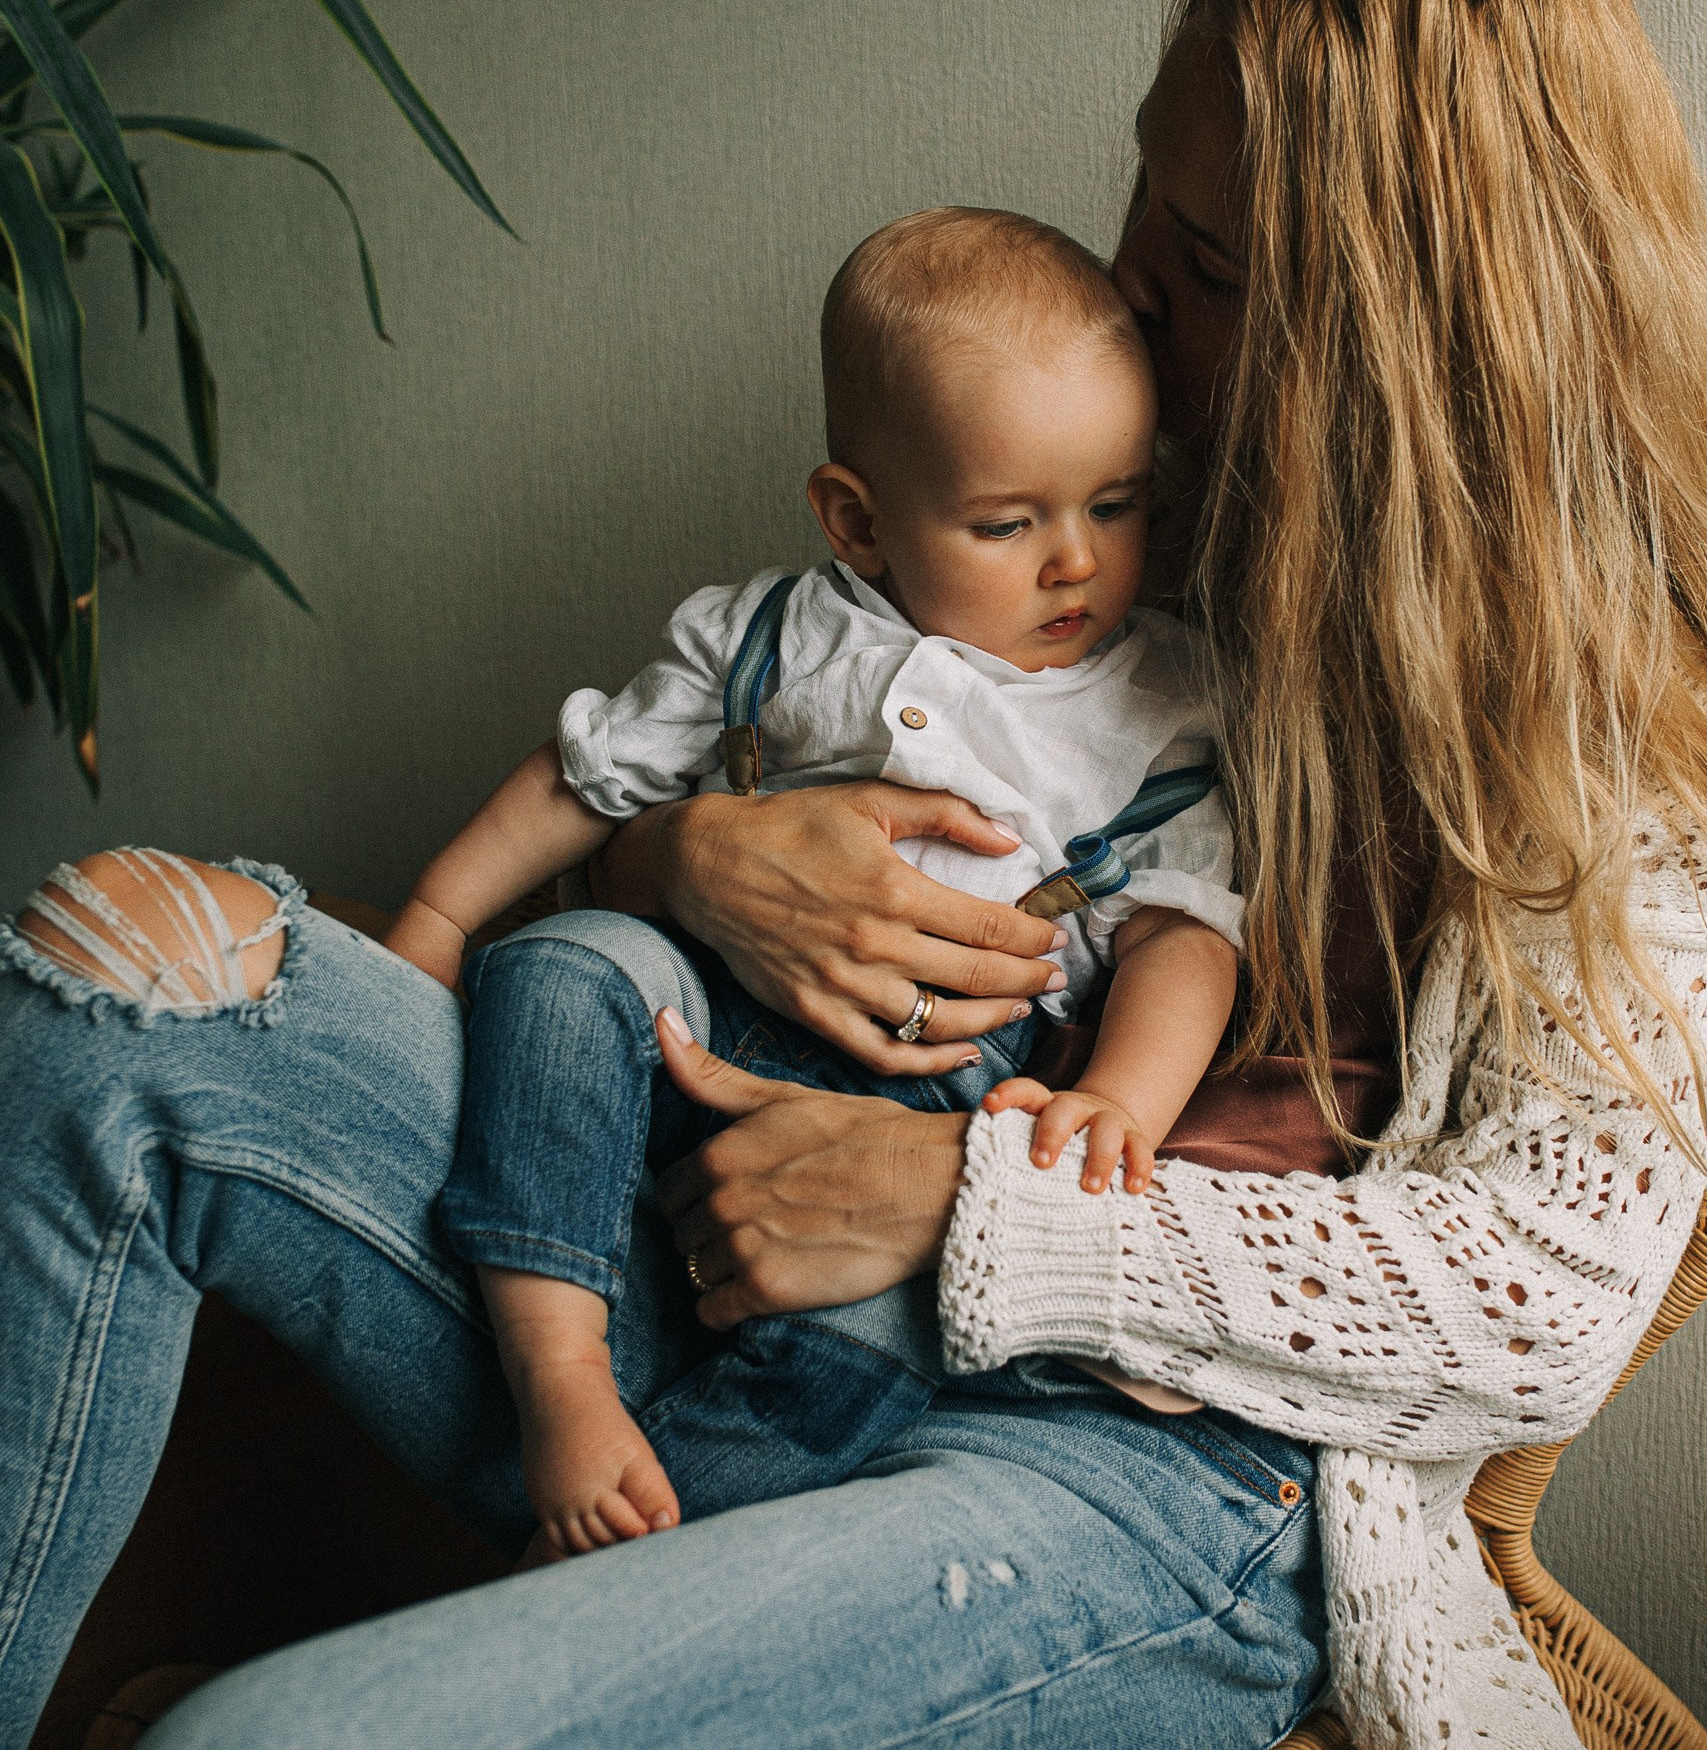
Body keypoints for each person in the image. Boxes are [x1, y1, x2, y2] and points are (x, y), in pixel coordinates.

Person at [0, 0, 1703, 1750]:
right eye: (1148, 196)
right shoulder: (1073, 472)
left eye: (1205, 264)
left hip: (1125, 1458)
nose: (1132, 292)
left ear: (1390, 321)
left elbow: (1524, 1294)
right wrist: (703, 852)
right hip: (697, 1188)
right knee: (112, 1000)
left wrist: (964, 1207)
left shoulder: (1619, 742)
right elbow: (738, 717)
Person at [394, 208, 1241, 1558]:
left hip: (940, 1082)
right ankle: (556, 1368)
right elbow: (585, 775)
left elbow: (1188, 934)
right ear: (857, 520)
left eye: (1117, 505)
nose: (1074, 560)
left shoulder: (1160, 701)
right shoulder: (772, 637)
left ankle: (628, 1537)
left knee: (859, 1350)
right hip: (705, 1013)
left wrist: (1113, 1103)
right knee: (556, 970)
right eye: (1007, 522)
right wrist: (436, 920)